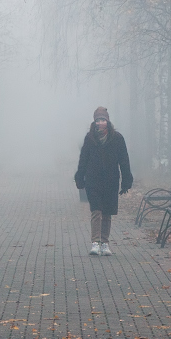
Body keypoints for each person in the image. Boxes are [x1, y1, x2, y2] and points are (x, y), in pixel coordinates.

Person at [73, 106, 133, 255]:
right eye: (98, 120)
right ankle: (95, 242)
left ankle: (105, 243)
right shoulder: (90, 138)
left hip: (111, 180)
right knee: (96, 210)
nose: (101, 122)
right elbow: (83, 159)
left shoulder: (117, 138)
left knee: (107, 212)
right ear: (94, 122)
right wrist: (80, 176)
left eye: (103, 120)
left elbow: (124, 160)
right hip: (93, 180)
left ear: (108, 121)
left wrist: (126, 179)